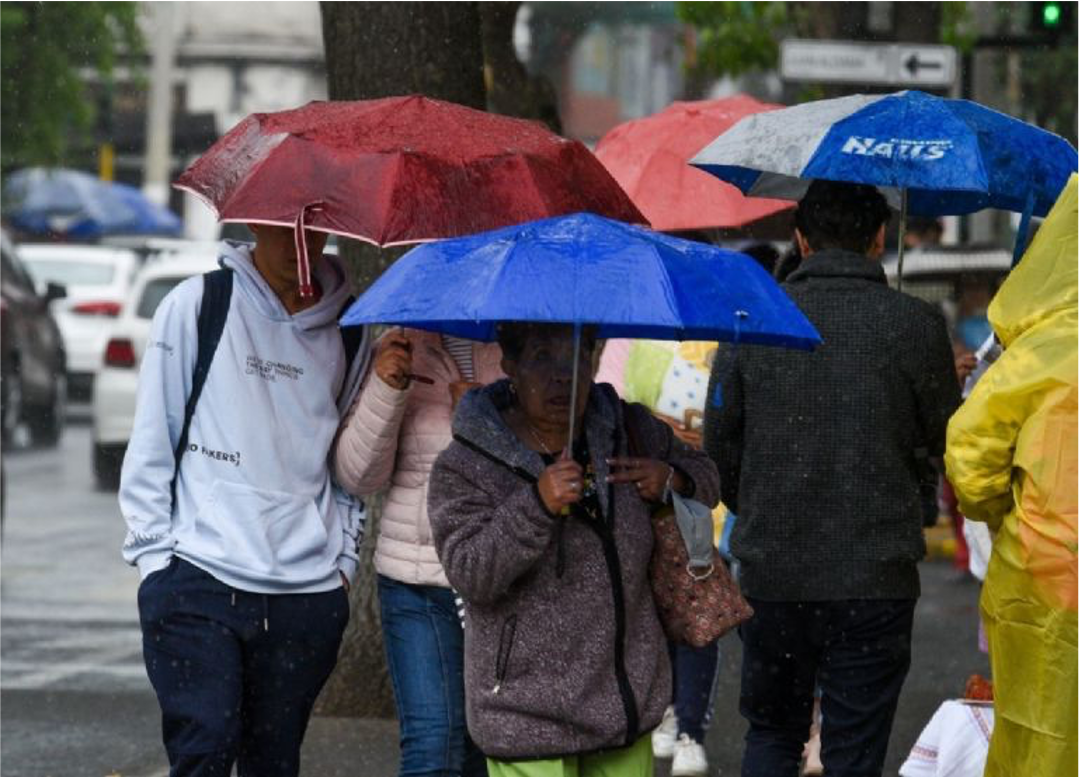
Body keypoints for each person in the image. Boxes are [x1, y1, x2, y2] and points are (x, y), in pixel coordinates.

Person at [704, 180, 961, 777]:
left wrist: (762, 504)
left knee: (771, 733)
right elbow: (947, 437)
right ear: (879, 240)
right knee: (853, 749)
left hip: (773, 570)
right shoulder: (916, 323)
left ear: (800, 238)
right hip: (876, 573)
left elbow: (722, 447)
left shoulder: (753, 321)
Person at [120, 225, 368, 776]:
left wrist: (344, 562)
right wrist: (156, 562)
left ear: (328, 229)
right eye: (282, 226)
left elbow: (350, 463)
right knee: (204, 749)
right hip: (197, 577)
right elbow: (152, 439)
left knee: (274, 763)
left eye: (310, 228)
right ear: (254, 223)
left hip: (305, 595)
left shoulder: (352, 330)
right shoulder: (198, 305)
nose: (296, 242)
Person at [427, 322, 720, 777]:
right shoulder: (467, 463)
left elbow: (706, 477)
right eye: (542, 356)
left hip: (624, 701)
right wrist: (536, 504)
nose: (563, 375)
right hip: (525, 716)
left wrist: (671, 479)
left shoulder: (630, 427)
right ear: (510, 366)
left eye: (577, 356)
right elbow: (471, 572)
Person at [945, 175, 1079, 777]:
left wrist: (1007, 511)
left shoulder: (1036, 351)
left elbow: (971, 462)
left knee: (1039, 734)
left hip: (1044, 574)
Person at [334, 328, 503, 777]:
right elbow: (357, 476)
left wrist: (484, 419)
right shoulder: (402, 343)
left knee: (494, 750)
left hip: (507, 581)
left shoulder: (527, 343)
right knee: (435, 747)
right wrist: (386, 388)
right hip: (418, 581)